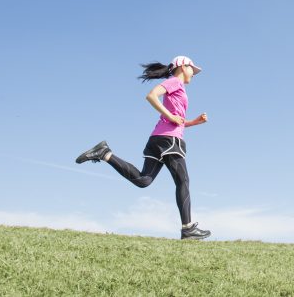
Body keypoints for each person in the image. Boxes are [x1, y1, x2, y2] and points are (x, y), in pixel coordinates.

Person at [75, 55, 211, 240]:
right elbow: (151, 96)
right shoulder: (175, 82)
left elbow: (177, 120)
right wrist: (171, 117)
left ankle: (105, 153)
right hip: (169, 140)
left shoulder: (177, 85)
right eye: (192, 69)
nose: (193, 74)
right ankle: (187, 228)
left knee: (144, 180)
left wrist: (194, 122)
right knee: (183, 181)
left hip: (158, 139)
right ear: (182, 66)